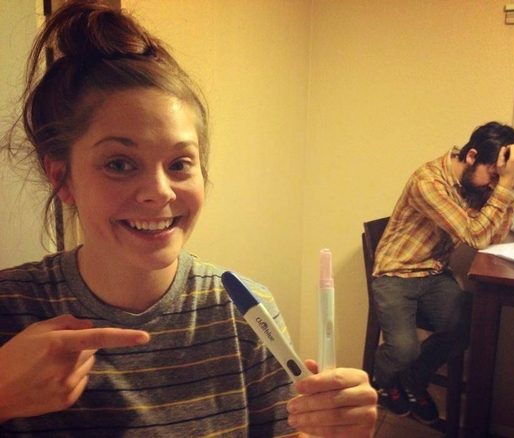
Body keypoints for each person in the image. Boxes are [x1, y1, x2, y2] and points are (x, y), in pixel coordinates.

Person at [0, 2, 377, 437]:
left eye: (179, 164)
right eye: (119, 164)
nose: (160, 191)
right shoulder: (11, 308)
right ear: (62, 177)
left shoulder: (245, 310)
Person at [372, 121, 514, 424]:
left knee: (468, 327)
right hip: (395, 272)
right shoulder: (428, 181)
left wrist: (510, 184)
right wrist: (506, 184)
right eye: (494, 175)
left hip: (434, 272)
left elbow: (494, 236)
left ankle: (413, 379)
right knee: (403, 349)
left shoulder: (475, 184)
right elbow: (476, 236)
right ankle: (384, 378)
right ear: (471, 156)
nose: (494, 185)